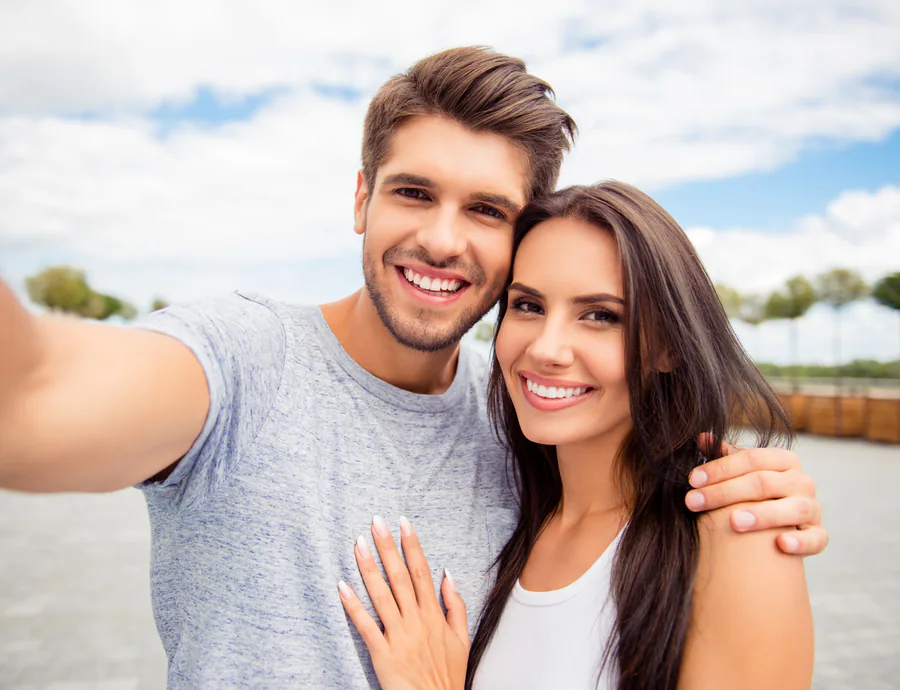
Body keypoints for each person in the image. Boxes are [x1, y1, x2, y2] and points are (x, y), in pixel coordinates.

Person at [0, 49, 824, 688]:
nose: (440, 238)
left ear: (517, 234)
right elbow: (31, 401)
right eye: (413, 193)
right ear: (362, 198)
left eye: (486, 210)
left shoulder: (532, 432)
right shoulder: (241, 363)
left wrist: (753, 507)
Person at [339, 181, 815, 690]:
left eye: (600, 316)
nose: (548, 348)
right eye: (528, 306)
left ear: (669, 348)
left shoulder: (735, 536)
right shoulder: (514, 509)